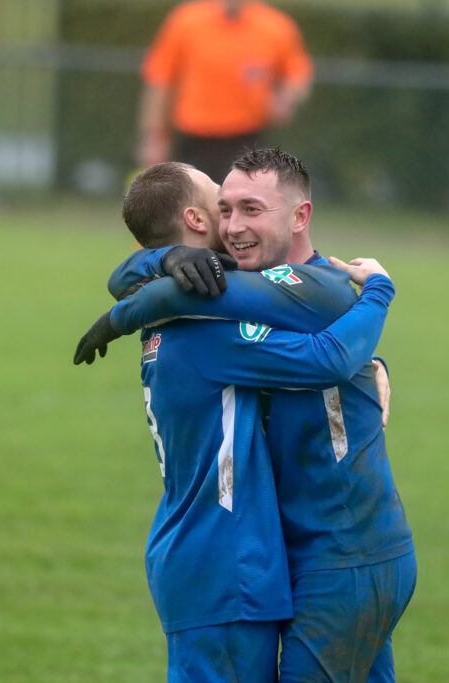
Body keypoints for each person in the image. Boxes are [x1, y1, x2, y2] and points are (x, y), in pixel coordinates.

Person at [79, 150, 416, 682]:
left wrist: (136, 289)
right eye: (225, 207)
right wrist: (157, 264)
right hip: (267, 559)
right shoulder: (209, 311)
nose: (233, 224)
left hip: (346, 554)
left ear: (298, 217)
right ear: (199, 220)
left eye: (248, 209)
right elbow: (320, 353)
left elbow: (328, 346)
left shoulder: (314, 287)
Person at [137, 0, 313, 183]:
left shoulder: (275, 26)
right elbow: (160, 81)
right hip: (194, 136)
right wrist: (154, 138)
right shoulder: (186, 21)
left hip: (246, 136)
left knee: (239, 204)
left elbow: (298, 76)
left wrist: (287, 97)